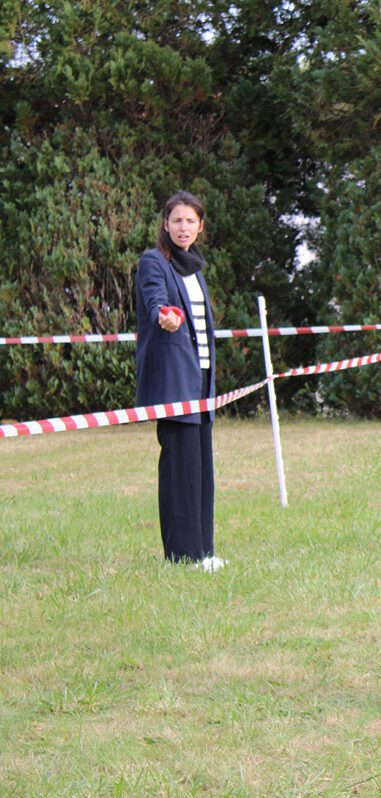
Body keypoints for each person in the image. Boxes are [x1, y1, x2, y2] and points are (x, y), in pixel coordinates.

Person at [135, 191, 224, 572]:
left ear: (200, 227)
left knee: (201, 470)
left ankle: (204, 551)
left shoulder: (194, 268)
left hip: (201, 380)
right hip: (174, 381)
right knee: (180, 473)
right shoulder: (154, 261)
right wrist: (163, 315)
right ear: (165, 225)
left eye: (190, 221)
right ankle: (183, 556)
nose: (183, 228)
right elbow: (155, 298)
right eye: (176, 221)